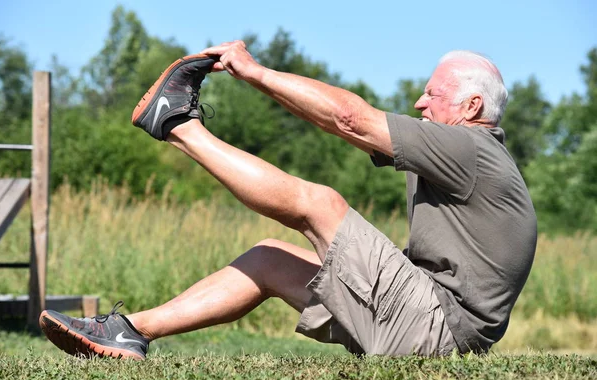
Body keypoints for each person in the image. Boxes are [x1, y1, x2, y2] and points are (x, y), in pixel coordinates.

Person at [39, 41, 537, 360]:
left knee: (322, 205)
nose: (419, 104)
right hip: (427, 323)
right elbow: (342, 125)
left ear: (472, 107)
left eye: (432, 94)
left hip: (436, 331)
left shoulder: (472, 149)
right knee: (268, 260)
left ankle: (176, 125)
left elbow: (350, 118)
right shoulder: (461, 154)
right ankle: (127, 334)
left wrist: (255, 73)